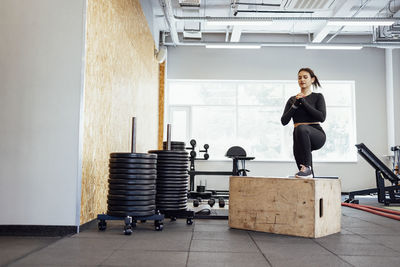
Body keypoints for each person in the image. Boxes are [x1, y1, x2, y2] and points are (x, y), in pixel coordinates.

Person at [281, 68, 326, 178]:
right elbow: (284, 121)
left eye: (305, 77)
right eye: (299, 77)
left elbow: (321, 117)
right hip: (299, 136)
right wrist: (295, 104)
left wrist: (304, 102)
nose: (302, 79)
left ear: (312, 80)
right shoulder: (292, 100)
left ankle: (308, 168)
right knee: (303, 173)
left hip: (316, 134)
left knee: (301, 128)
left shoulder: (318, 97)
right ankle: (308, 172)